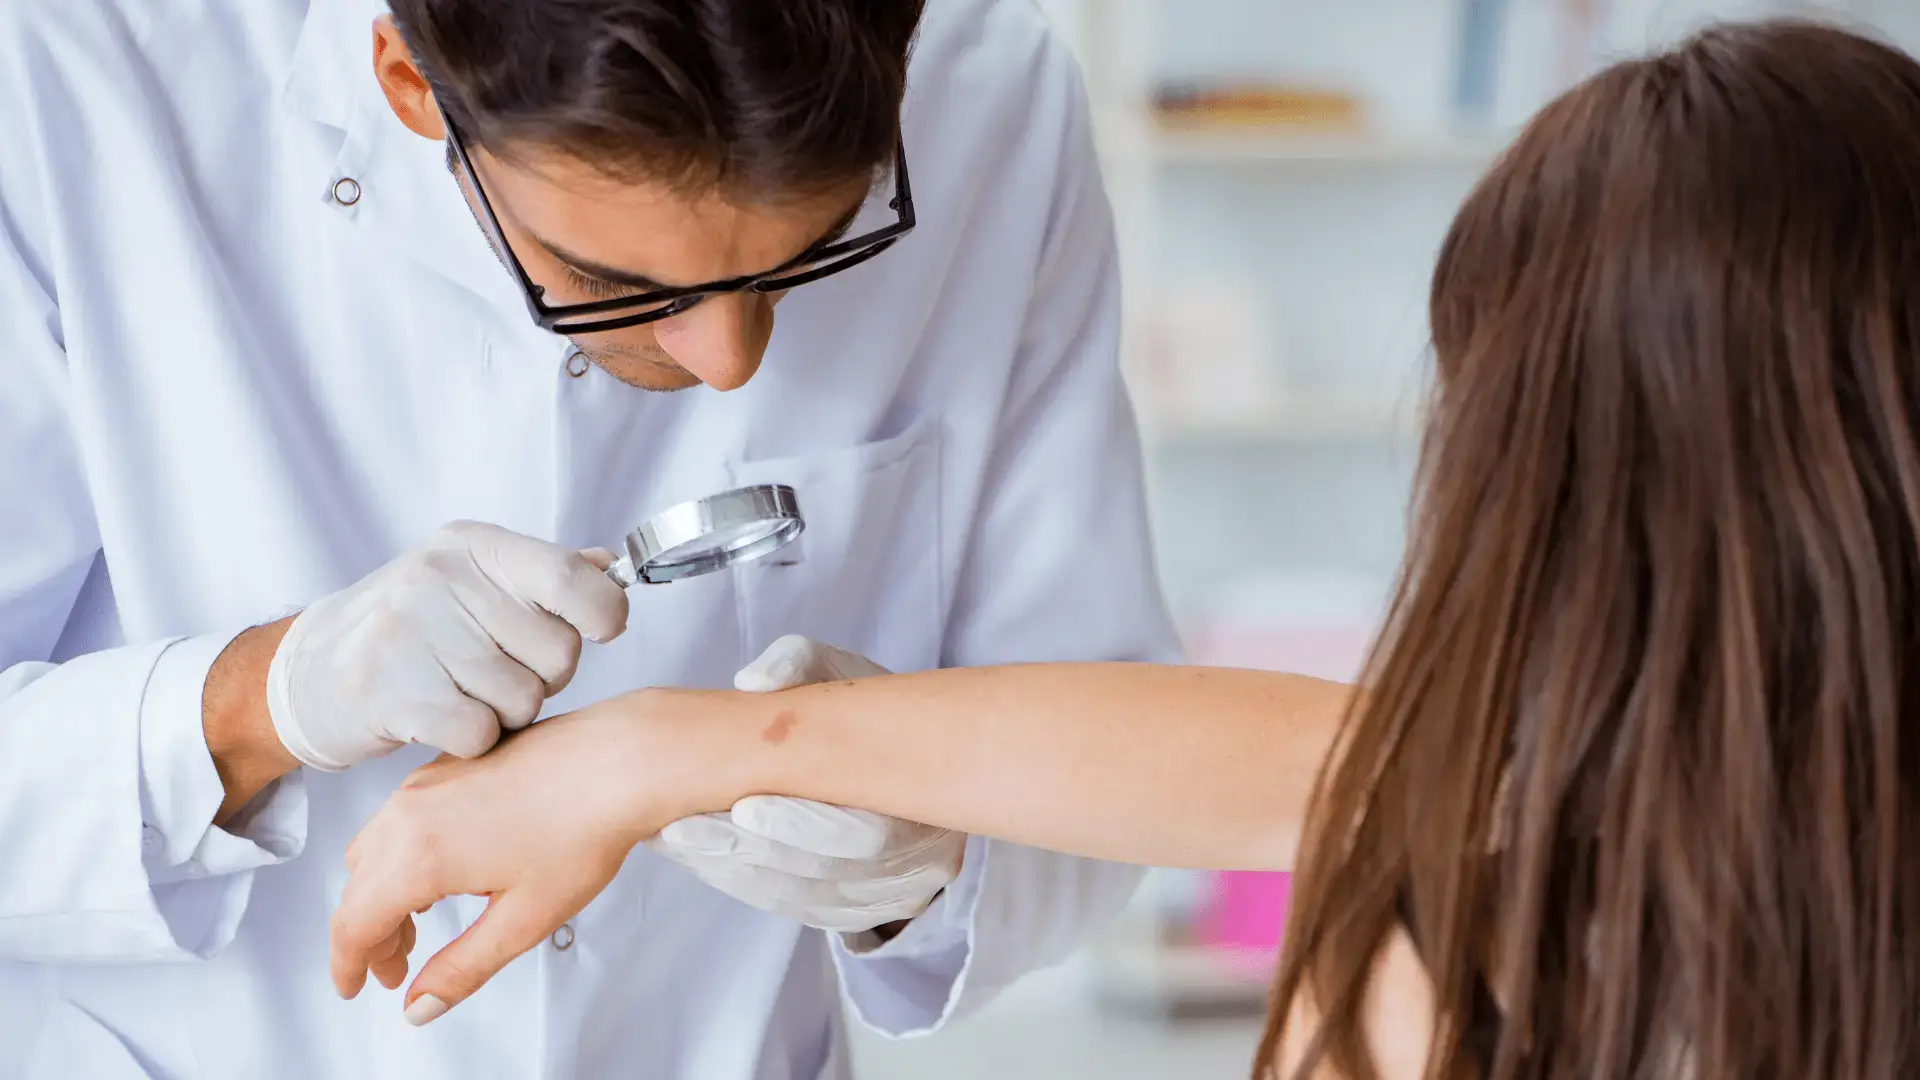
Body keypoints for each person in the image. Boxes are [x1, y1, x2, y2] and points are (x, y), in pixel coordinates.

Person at [331, 19, 1920, 1080]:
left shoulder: (1433, 960)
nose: (729, 356)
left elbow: (1399, 765)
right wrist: (682, 748)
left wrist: (674, 753)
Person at [0, 0, 1180, 1077]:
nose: (731, 361)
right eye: (610, 278)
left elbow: (1120, 774)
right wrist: (267, 699)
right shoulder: (67, 73)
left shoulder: (993, 92)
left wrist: (926, 847)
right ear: (409, 84)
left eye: (810, 257)